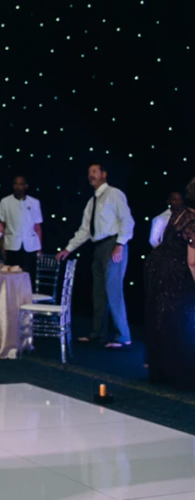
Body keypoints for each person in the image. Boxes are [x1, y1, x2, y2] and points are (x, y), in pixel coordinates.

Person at [57, 163, 135, 348]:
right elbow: (84, 230)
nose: (90, 175)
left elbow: (127, 220)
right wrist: (68, 249)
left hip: (112, 244)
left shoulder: (114, 194)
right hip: (98, 247)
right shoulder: (92, 202)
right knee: (98, 291)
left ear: (104, 174)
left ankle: (123, 336)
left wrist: (120, 244)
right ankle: (97, 333)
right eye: (88, 172)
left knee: (113, 290)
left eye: (94, 171)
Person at [144, 178, 195, 388]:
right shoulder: (192, 219)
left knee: (161, 318)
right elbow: (192, 261)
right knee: (178, 320)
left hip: (157, 267)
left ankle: (161, 370)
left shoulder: (179, 212)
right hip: (174, 272)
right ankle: (180, 373)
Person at [0, 176, 43, 277]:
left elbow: (37, 227)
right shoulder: (5, 202)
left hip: (30, 245)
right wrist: (1, 245)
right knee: (11, 275)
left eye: (21, 184)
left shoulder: (34, 202)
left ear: (26, 186)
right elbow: (1, 226)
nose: (18, 187)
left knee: (28, 275)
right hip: (12, 244)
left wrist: (39, 248)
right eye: (16, 184)